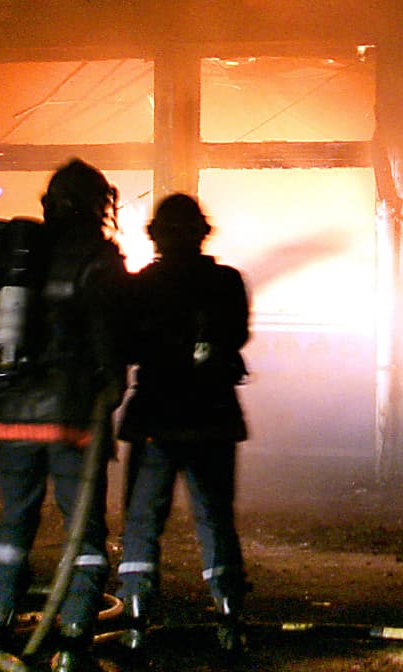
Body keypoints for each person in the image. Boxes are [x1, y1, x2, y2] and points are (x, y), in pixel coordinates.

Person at [0, 159, 129, 668]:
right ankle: (74, 637)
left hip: (8, 411)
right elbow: (109, 333)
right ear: (98, 204)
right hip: (71, 415)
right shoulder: (98, 256)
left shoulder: (19, 253)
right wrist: (112, 384)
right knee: (82, 531)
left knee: (14, 520)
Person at [112, 192, 253, 654]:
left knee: (141, 521)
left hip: (155, 418)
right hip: (211, 417)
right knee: (215, 519)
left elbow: (126, 345)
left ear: (154, 236)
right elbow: (237, 335)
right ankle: (230, 619)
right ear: (202, 233)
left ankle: (135, 620)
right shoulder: (228, 282)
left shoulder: (139, 287)